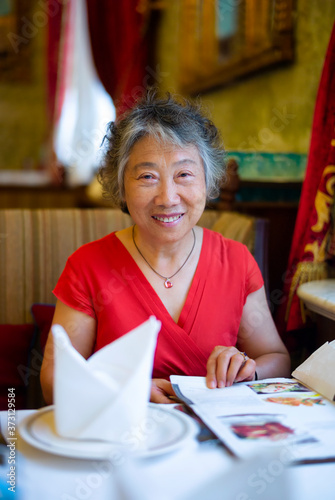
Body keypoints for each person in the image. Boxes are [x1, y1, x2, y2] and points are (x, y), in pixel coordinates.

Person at [40, 90, 290, 404]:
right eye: (147, 176)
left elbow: (276, 358)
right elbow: (53, 382)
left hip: (212, 441)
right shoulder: (88, 266)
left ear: (208, 181)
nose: (168, 197)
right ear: (121, 186)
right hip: (121, 438)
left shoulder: (236, 261)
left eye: (184, 174)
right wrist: (124, 391)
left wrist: (246, 371)